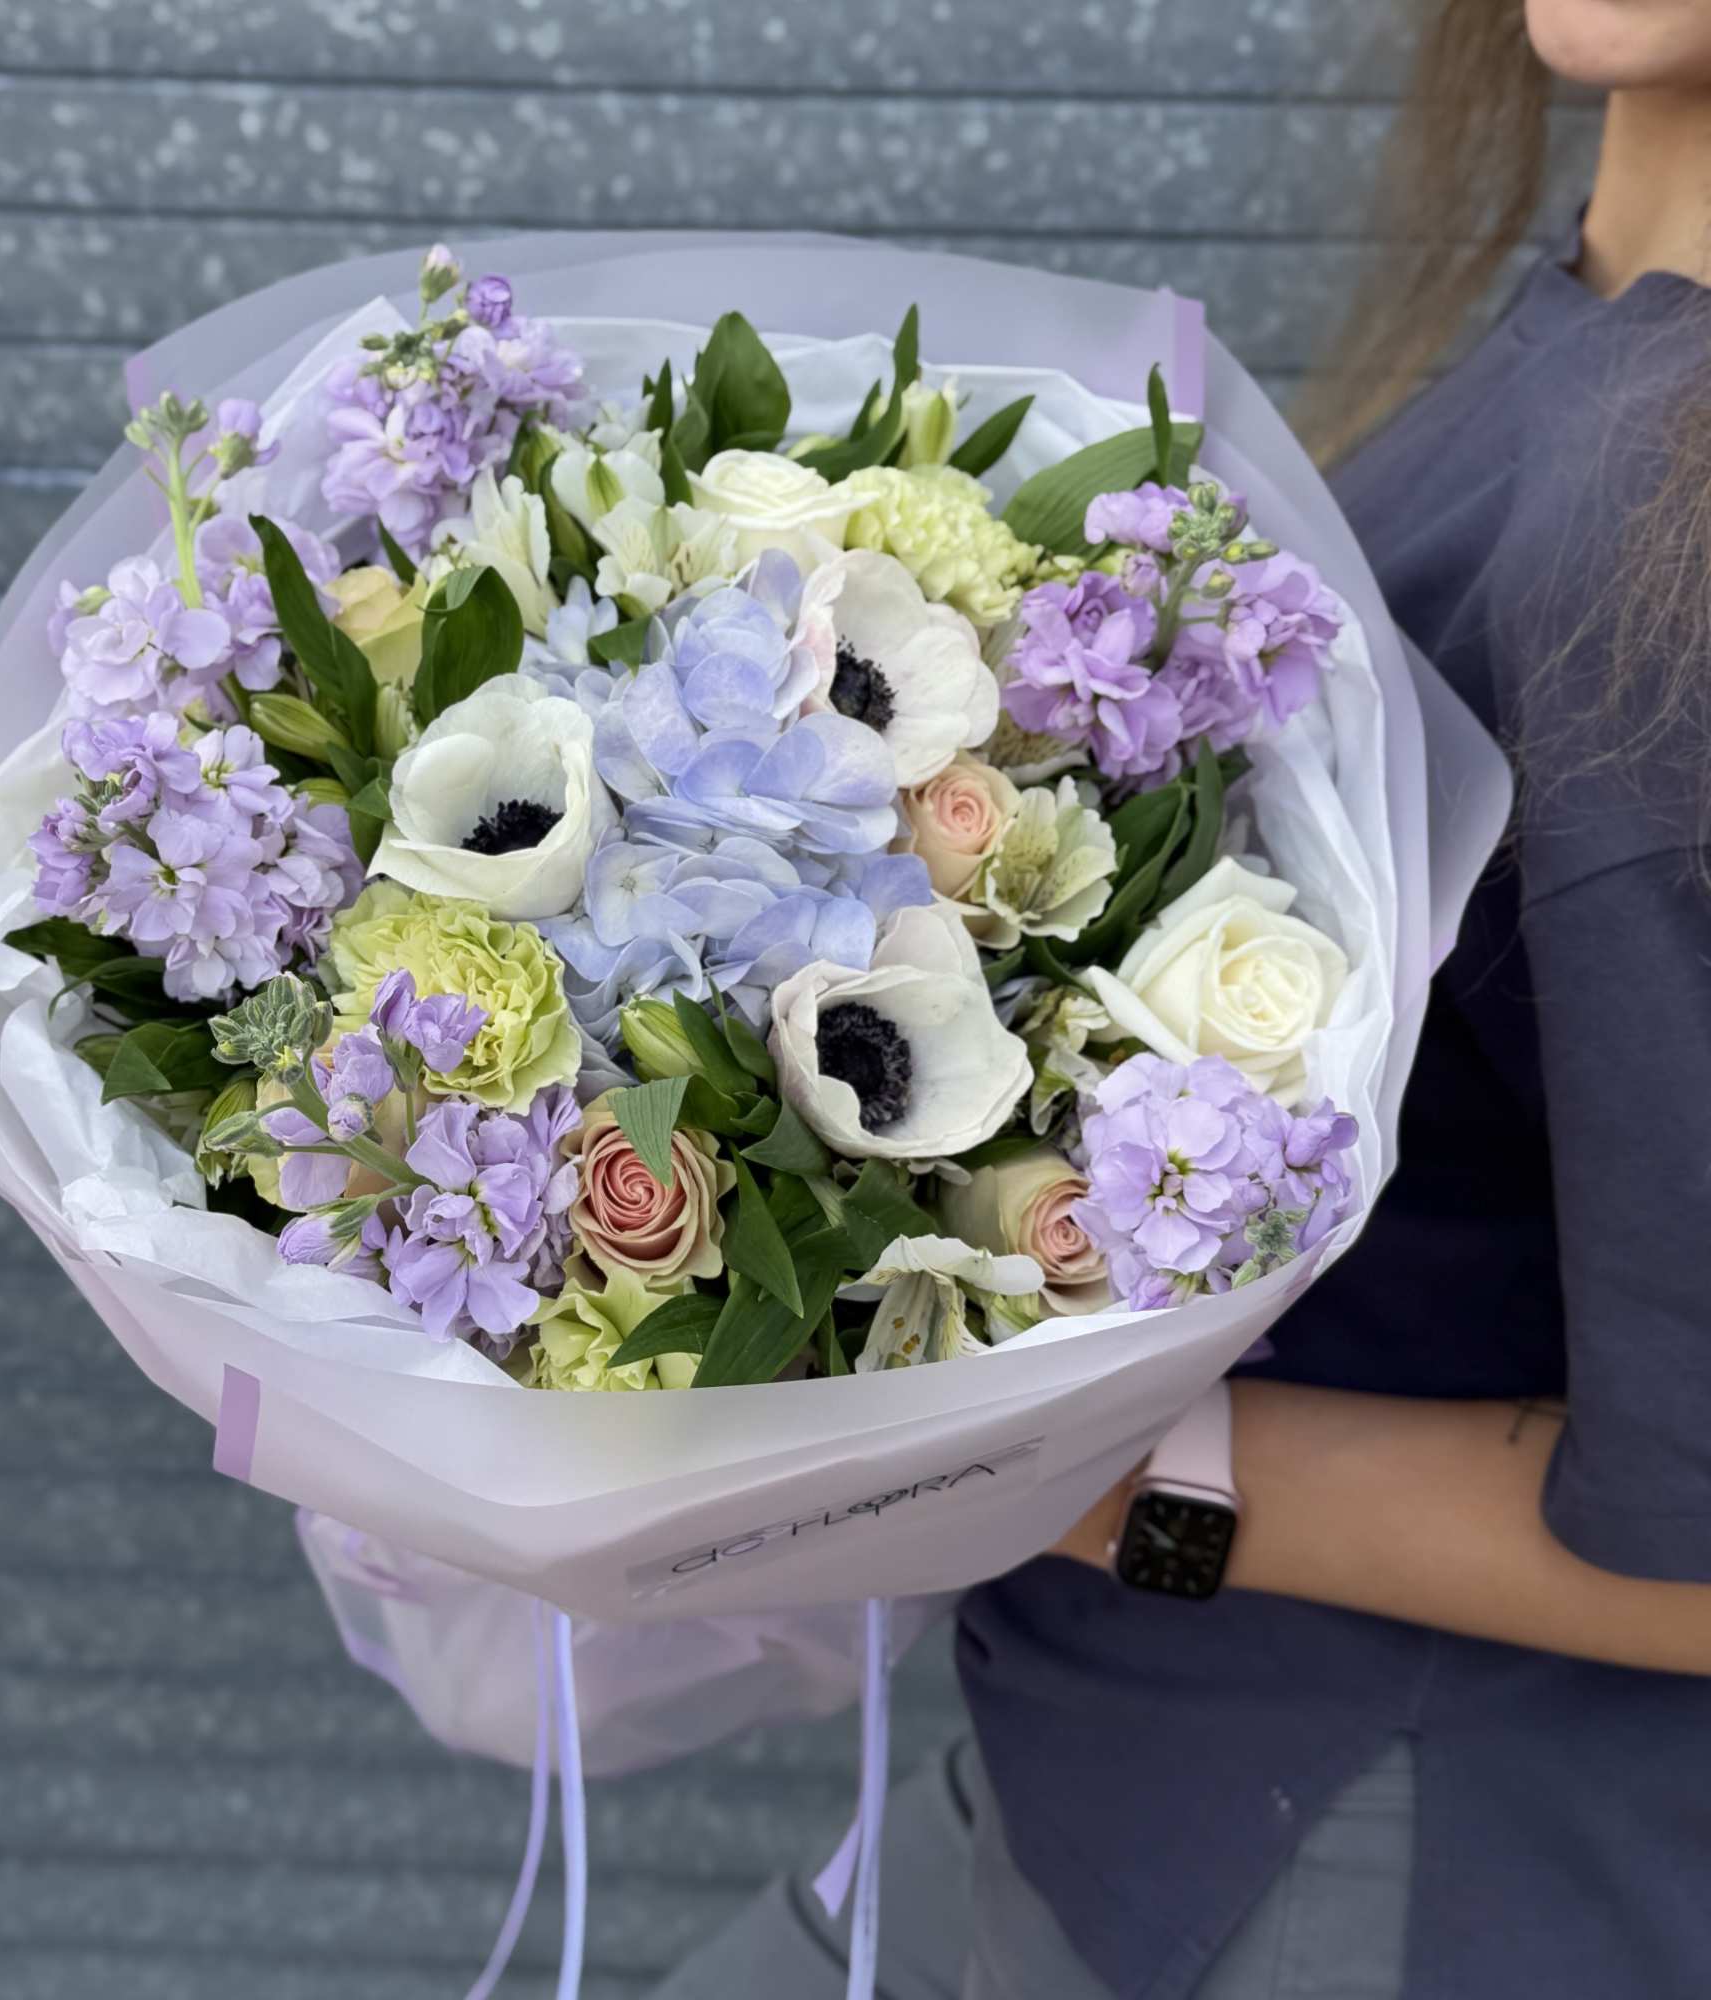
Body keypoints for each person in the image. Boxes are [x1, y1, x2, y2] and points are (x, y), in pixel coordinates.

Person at [654, 0, 1711, 1992]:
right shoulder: (1585, 326)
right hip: (1145, 1765)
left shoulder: (1665, 538)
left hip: (1372, 1846)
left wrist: (1029, 1455)